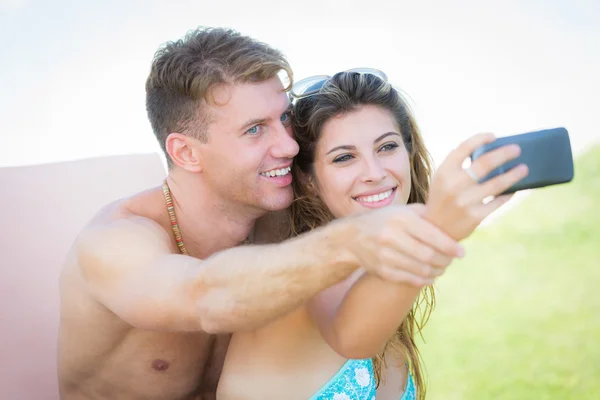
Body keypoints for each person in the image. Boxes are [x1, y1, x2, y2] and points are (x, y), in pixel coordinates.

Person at [56, 29, 467, 400]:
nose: (289, 146)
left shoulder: (285, 221)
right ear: (185, 152)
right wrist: (354, 240)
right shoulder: (116, 243)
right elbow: (204, 297)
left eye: (284, 117)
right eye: (255, 129)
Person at [216, 70, 528, 399]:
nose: (375, 174)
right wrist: (437, 227)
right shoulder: (309, 266)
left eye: (387, 147)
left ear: (409, 152)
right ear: (309, 180)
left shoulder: (379, 259)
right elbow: (353, 339)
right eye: (344, 157)